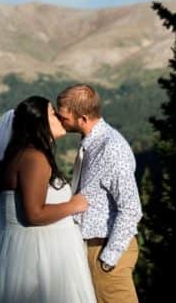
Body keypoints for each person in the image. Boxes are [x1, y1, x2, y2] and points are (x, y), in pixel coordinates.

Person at [0, 96, 97, 303]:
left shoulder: (23, 155)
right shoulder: (34, 158)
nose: (59, 116)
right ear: (39, 122)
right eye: (52, 113)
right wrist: (74, 205)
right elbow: (34, 214)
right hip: (38, 257)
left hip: (31, 250)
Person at [57, 84, 142, 303]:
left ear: (82, 118)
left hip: (106, 248)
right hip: (92, 247)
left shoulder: (111, 148)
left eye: (63, 116)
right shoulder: (91, 144)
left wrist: (108, 259)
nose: (59, 120)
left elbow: (131, 208)